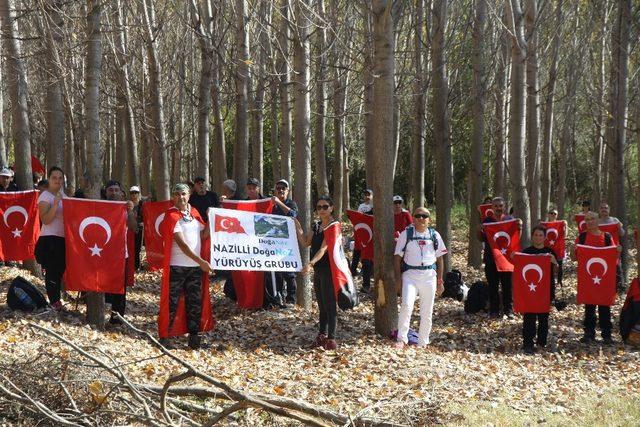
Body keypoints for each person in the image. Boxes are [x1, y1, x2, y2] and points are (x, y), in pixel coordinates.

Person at [159, 183, 215, 349]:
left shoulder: (195, 213)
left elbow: (204, 235)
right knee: (172, 302)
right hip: (177, 266)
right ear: (173, 197)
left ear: (189, 195)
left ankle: (194, 339)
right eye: (177, 194)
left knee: (194, 303)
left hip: (195, 268)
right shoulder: (171, 215)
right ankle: (164, 337)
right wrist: (202, 262)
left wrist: (211, 219)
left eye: (183, 194)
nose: (180, 197)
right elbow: (183, 245)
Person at [393, 207, 447, 348]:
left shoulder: (434, 235)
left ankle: (423, 341)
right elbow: (397, 258)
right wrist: (398, 281)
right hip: (410, 275)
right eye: (418, 216)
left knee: (427, 310)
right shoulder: (406, 234)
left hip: (429, 276)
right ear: (413, 217)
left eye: (424, 216)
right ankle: (402, 338)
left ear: (429, 219)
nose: (421, 218)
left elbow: (440, 260)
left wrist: (440, 281)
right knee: (406, 305)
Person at [571, 211, 622, 345]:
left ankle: (607, 335)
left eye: (592, 219)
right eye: (587, 220)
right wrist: (572, 249)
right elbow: (574, 258)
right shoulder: (581, 237)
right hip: (588, 278)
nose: (589, 222)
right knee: (589, 306)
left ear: (598, 221)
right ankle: (589, 333)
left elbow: (613, 258)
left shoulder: (606, 237)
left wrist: (618, 251)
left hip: (604, 278)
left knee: (604, 305)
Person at [296, 196, 339, 350]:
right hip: (318, 271)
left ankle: (331, 339)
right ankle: (321, 335)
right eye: (319, 207)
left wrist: (310, 263)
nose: (321, 210)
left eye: (325, 206)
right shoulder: (316, 226)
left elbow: (323, 248)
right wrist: (296, 225)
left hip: (330, 270)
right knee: (321, 305)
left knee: (330, 305)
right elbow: (305, 242)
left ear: (331, 208)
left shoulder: (334, 226)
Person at [519, 226, 558, 354]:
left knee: (543, 318)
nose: (538, 237)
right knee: (529, 317)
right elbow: (519, 271)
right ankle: (528, 343)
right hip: (529, 291)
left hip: (545, 290)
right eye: (536, 235)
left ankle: (542, 342)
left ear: (545, 237)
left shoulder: (550, 252)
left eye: (541, 235)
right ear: (532, 236)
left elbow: (557, 273)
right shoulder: (526, 252)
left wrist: (555, 263)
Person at [103, 180, 138, 324]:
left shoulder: (125, 209)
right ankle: (98, 315)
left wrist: (130, 212)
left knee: (119, 289)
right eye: (111, 190)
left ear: (121, 193)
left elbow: (134, 228)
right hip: (101, 255)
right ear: (106, 193)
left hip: (120, 255)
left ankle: (116, 319)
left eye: (116, 190)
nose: (114, 193)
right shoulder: (99, 207)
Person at [477, 196, 516, 318]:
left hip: (506, 260)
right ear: (492, 207)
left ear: (504, 206)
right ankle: (494, 310)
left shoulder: (510, 219)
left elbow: (515, 237)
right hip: (491, 258)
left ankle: (508, 310)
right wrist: (479, 230)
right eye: (496, 206)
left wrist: (519, 225)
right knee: (493, 285)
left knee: (507, 285)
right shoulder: (487, 221)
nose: (498, 208)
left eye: (500, 206)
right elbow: (480, 238)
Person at [35, 167, 66, 311]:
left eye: (60, 178)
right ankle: (54, 301)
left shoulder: (63, 195)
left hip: (62, 238)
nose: (57, 180)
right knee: (53, 271)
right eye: (54, 178)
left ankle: (58, 299)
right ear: (49, 179)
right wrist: (55, 204)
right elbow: (45, 219)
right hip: (49, 239)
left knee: (59, 270)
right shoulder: (45, 196)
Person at [269, 179, 298, 305]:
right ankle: (279, 297)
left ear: (288, 191)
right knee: (277, 272)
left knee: (289, 273)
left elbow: (293, 215)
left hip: (288, 243)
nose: (281, 190)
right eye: (278, 188)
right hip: (273, 243)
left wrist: (279, 203)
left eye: (283, 188)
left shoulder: (291, 203)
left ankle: (291, 300)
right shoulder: (271, 205)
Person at [350, 189, 374, 277]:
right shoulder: (361, 206)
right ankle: (353, 270)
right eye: (365, 195)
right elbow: (357, 218)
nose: (367, 197)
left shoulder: (374, 206)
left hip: (370, 232)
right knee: (357, 250)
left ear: (372, 196)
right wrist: (354, 230)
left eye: (369, 195)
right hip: (360, 231)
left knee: (367, 254)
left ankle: (367, 272)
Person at [545, 208, 566, 284]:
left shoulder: (560, 225)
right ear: (548, 214)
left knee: (559, 266)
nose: (553, 215)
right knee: (549, 267)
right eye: (551, 213)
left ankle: (559, 282)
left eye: (555, 214)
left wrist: (565, 226)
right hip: (548, 249)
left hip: (558, 249)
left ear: (557, 216)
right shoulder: (544, 225)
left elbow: (564, 235)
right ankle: (550, 282)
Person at [129, 186, 144, 270]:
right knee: (131, 247)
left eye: (136, 192)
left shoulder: (142, 204)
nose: (134, 194)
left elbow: (147, 215)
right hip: (130, 229)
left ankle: (138, 264)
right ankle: (132, 264)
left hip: (140, 229)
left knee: (138, 247)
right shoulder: (128, 204)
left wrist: (144, 222)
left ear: (138, 194)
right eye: (132, 193)